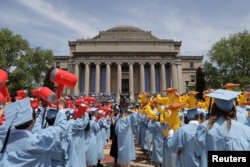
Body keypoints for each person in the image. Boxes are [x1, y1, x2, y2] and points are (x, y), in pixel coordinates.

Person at [0, 97, 68, 166]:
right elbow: (61, 129)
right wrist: (61, 108)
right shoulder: (37, 141)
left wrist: (5, 109)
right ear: (33, 121)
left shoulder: (4, 138)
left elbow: (35, 127)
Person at [194, 89, 250, 167]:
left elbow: (197, 154)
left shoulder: (204, 129)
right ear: (234, 109)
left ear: (214, 107)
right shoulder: (246, 131)